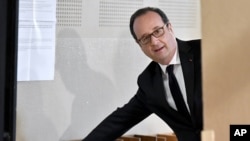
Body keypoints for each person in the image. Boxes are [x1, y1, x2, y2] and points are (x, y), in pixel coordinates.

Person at [82, 7, 202, 141]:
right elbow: (119, 121)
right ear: (139, 44)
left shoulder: (203, 51)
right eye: (145, 38)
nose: (154, 42)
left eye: (157, 31)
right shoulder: (148, 82)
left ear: (169, 28)